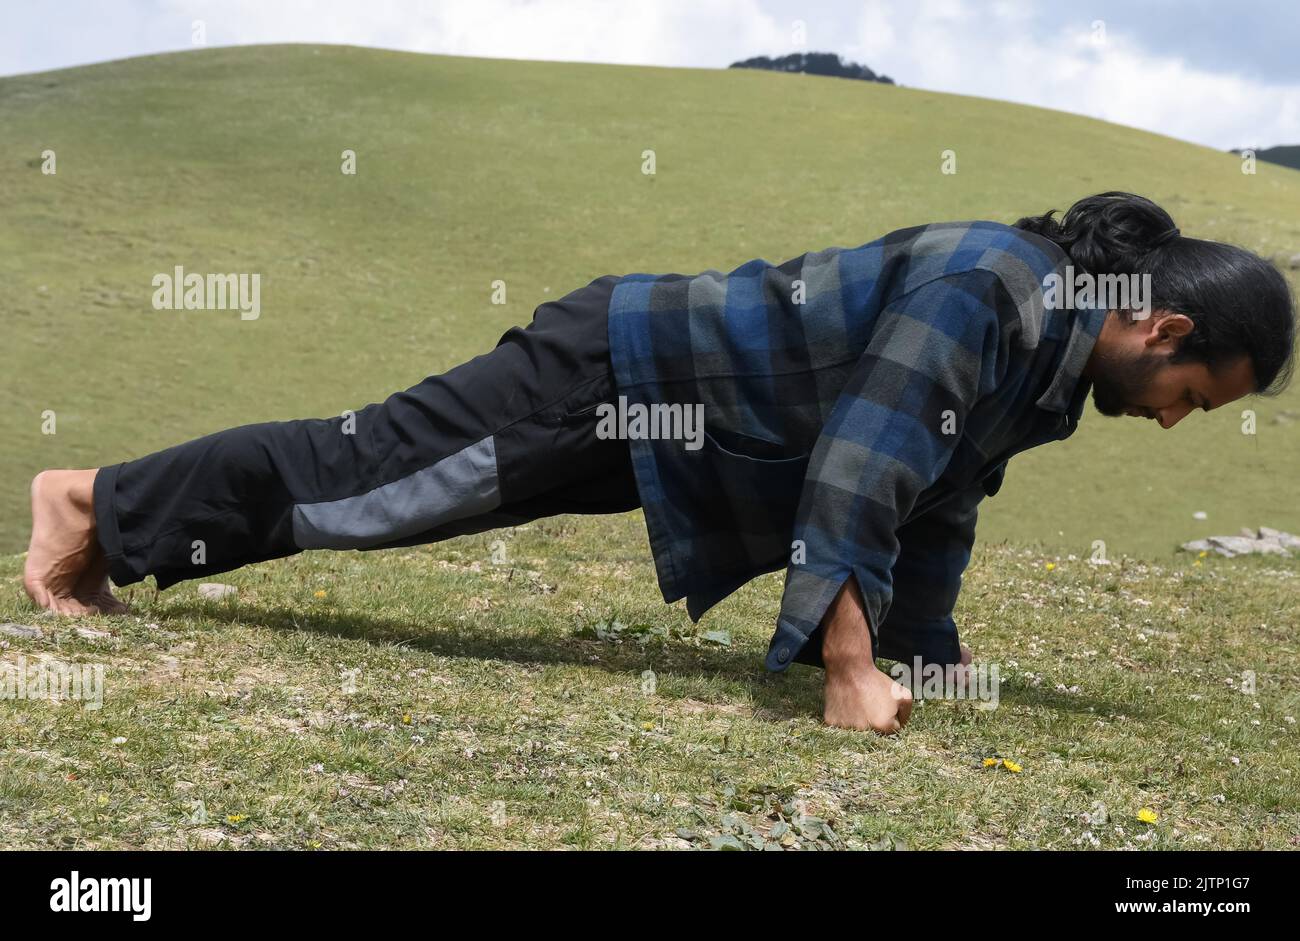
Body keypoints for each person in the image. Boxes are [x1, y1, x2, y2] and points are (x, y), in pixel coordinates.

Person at [24, 192, 1295, 734]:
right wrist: (845, 673)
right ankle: (92, 498)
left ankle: (115, 516)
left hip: (683, 424)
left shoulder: (1052, 358)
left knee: (378, 493)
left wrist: (930, 660)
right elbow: (864, 463)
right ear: (1164, 327)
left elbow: (936, 502)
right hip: (619, 370)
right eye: (1196, 392)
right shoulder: (995, 288)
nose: (1181, 419)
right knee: (374, 481)